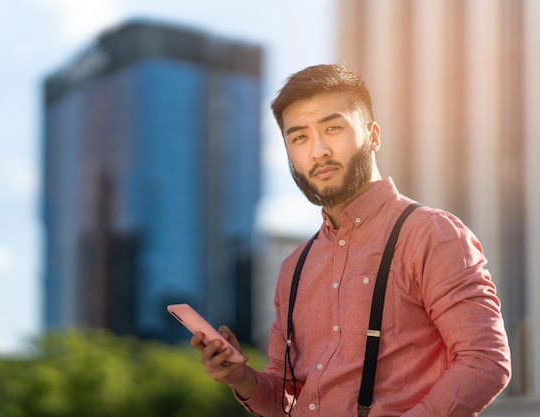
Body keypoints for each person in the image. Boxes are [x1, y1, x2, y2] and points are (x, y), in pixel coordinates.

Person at [191, 64, 511, 416]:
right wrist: (240, 377)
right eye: (299, 137)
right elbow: (286, 395)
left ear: (373, 135)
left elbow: (485, 361)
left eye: (332, 128)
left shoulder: (430, 234)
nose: (318, 151)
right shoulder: (293, 267)